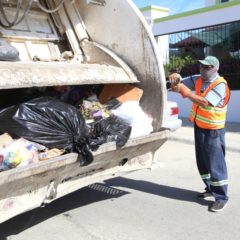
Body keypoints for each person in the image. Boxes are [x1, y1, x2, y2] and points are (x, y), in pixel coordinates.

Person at [169, 56, 230, 212]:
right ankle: (210, 188)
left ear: (215, 69)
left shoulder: (220, 85)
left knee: (215, 163)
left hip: (213, 129)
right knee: (202, 161)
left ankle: (221, 198)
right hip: (199, 125)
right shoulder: (198, 79)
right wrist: (175, 79)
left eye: (207, 67)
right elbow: (180, 84)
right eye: (202, 66)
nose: (203, 69)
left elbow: (204, 102)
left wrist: (186, 92)